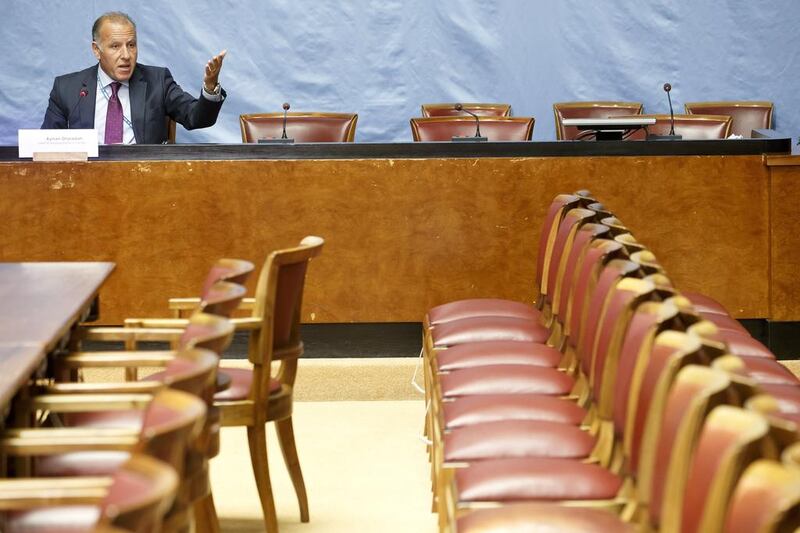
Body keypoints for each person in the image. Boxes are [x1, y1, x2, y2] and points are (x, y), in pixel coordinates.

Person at [41, 11, 227, 144]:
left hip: (145, 183)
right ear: (96, 50)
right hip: (86, 185)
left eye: (131, 45)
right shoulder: (67, 88)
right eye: (115, 46)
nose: (126, 55)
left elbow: (197, 118)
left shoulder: (157, 81)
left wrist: (210, 88)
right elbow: (44, 146)